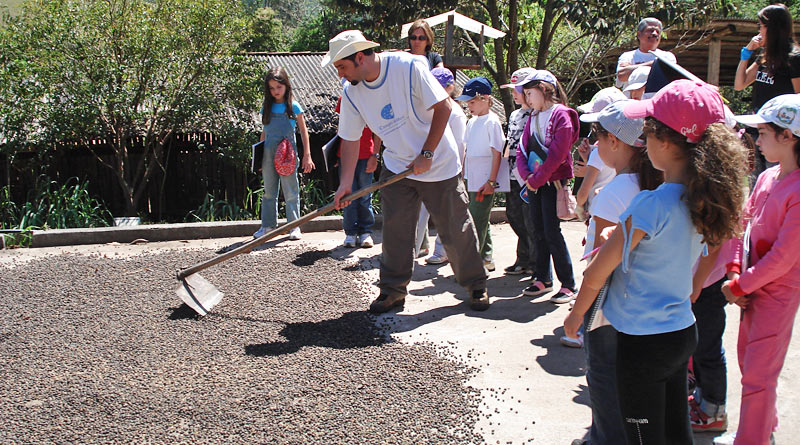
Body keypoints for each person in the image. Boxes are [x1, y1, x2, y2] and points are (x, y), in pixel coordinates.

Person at [564, 79, 747, 444]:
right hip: (681, 330)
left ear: (664, 142)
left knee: (642, 435)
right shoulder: (707, 199)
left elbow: (597, 272)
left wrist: (575, 318)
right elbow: (709, 249)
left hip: (642, 342)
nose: (644, 145)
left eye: (647, 135)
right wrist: (694, 287)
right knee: (677, 430)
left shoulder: (649, 204)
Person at [324, 30, 490, 312]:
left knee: (455, 229)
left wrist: (427, 153)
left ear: (360, 57)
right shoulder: (352, 92)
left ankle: (476, 285)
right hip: (397, 165)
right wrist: (345, 183)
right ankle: (392, 291)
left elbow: (444, 107)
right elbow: (350, 139)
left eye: (342, 66)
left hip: (438, 162)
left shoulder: (408, 67)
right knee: (396, 230)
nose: (340, 74)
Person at [569, 100, 663, 444]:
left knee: (604, 375)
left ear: (617, 143)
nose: (593, 144)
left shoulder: (616, 192)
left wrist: (579, 311)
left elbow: (599, 260)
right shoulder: (656, 183)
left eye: (597, 135)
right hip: (642, 300)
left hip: (608, 303)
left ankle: (604, 438)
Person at [713, 94, 800, 445]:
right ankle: (763, 427)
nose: (757, 139)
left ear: (789, 136)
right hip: (750, 287)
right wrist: (734, 271)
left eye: (763, 132)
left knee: (759, 374)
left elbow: (783, 257)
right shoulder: (768, 178)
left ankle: (753, 439)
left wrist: (740, 285)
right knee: (749, 363)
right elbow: (741, 225)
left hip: (777, 293)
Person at [516, 70, 578, 304]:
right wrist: (527, 176)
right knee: (537, 229)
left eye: (530, 93)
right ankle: (542, 277)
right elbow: (522, 149)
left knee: (552, 232)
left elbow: (558, 154)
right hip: (534, 183)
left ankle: (568, 283)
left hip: (552, 182)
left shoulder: (561, 115)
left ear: (544, 90)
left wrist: (536, 178)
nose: (528, 99)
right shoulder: (532, 116)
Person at [734, 4, 800, 177]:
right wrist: (746, 54)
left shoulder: (794, 58)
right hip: (757, 131)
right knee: (757, 181)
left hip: (780, 135)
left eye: (762, 26)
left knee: (776, 179)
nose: (759, 31)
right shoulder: (764, 57)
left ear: (773, 28)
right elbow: (739, 84)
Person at [254, 67, 315, 240]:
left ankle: (294, 226)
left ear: (286, 86)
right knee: (268, 191)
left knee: (291, 191)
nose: (275, 91)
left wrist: (307, 155)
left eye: (278, 87)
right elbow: (264, 133)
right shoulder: (266, 106)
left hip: (288, 155)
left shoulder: (293, 106)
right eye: (272, 88)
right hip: (268, 154)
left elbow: (304, 132)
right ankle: (267, 226)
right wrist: (259, 158)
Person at [456, 77, 508, 272]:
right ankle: (486, 256)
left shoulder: (493, 122)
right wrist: (462, 174)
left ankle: (474, 263)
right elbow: (467, 150)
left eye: (472, 101)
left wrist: (492, 181)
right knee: (477, 217)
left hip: (484, 180)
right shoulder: (471, 122)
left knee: (477, 221)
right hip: (471, 178)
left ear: (485, 98)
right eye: (468, 102)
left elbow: (497, 153)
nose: (469, 105)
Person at [423, 66, 468, 265]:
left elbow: (459, 146)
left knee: (446, 212)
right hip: (431, 167)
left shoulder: (456, 114)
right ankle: (418, 247)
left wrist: (457, 173)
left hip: (448, 169)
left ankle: (443, 250)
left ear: (450, 88)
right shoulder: (430, 107)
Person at [407, 18, 443, 257]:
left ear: (428, 40)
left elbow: (442, 86)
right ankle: (418, 243)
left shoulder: (435, 61)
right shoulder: (404, 58)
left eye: (422, 37)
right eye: (413, 37)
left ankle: (427, 243)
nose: (417, 41)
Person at [500, 67, 537, 276]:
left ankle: (535, 262)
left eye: (518, 88)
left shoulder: (536, 114)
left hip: (528, 175)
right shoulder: (514, 114)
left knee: (530, 219)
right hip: (511, 173)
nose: (514, 93)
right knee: (513, 215)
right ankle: (523, 258)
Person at [334, 97, 380, 248]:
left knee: (365, 195)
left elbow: (378, 130)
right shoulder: (344, 98)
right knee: (347, 196)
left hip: (367, 154)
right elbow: (341, 128)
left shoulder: (372, 98)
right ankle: (350, 232)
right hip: (345, 156)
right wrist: (335, 153)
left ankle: (365, 231)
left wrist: (375, 155)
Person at [616, 17, 676, 91]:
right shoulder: (627, 56)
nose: (654, 34)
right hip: (633, 101)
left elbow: (668, 70)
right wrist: (657, 65)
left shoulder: (668, 56)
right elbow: (622, 76)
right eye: (650, 30)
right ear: (639, 34)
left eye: (657, 31)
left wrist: (632, 67)